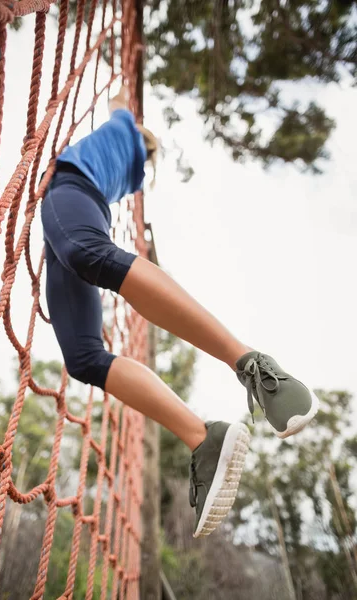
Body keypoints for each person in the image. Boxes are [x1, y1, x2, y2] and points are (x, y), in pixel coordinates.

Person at [41, 85, 319, 538]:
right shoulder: (133, 176)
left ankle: (250, 362)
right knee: (84, 358)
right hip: (77, 213)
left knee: (89, 253)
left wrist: (118, 92)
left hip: (69, 192)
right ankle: (202, 436)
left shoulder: (121, 127)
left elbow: (117, 102)